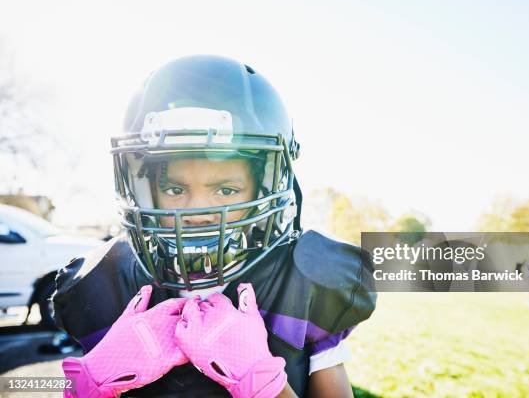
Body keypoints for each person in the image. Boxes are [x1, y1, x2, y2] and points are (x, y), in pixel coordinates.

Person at [53, 55, 376, 397]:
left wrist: (263, 383)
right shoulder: (105, 283)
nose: (198, 211)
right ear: (144, 189)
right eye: (175, 189)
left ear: (266, 185)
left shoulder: (304, 282)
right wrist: (92, 384)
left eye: (225, 190)